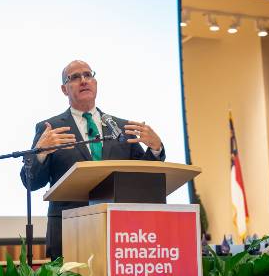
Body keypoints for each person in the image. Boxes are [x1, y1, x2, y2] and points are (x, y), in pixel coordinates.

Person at [20, 60, 165, 260]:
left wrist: (156, 149)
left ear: (95, 83)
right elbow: (32, 182)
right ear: (64, 89)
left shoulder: (120, 127)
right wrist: (40, 153)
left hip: (121, 232)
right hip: (68, 230)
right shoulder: (50, 128)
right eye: (75, 77)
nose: (84, 81)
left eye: (88, 75)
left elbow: (143, 177)